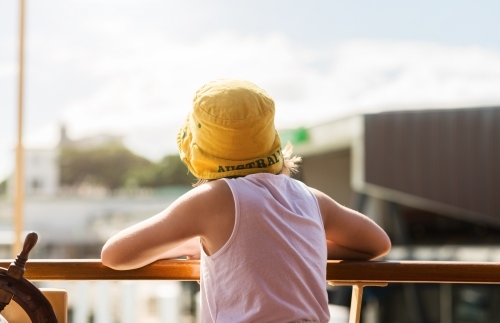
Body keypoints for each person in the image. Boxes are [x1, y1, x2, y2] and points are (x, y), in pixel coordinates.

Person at [101, 79, 391, 323]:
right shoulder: (310, 198)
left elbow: (114, 255)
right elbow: (378, 244)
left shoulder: (211, 199)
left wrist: (177, 249)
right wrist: (299, 249)